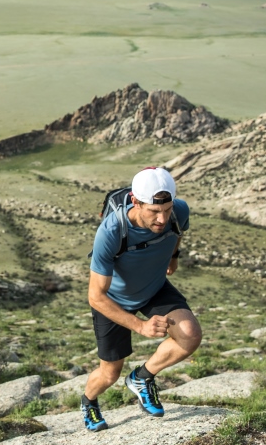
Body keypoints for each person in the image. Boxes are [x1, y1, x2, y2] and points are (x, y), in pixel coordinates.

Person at [81, 167, 203, 431]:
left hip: (154, 288)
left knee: (190, 335)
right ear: (136, 202)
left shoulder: (178, 211)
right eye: (154, 211)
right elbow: (96, 296)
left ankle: (142, 377)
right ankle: (89, 401)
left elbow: (178, 231)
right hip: (114, 302)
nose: (162, 219)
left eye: (167, 209)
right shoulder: (112, 231)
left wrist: (173, 256)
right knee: (110, 372)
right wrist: (139, 326)